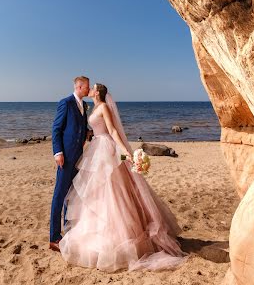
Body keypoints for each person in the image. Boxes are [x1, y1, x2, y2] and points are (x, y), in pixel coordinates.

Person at [58, 83, 188, 272]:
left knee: (110, 188)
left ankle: (116, 235)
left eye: (93, 88)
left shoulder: (103, 107)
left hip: (106, 148)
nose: (90, 90)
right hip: (96, 146)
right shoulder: (94, 107)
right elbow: (97, 128)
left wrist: (126, 151)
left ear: (98, 93)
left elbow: (112, 131)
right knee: (96, 188)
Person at [49, 76, 92, 251]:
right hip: (65, 157)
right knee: (59, 195)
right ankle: (54, 238)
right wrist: (58, 153)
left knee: (72, 194)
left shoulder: (84, 106)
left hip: (78, 157)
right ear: (79, 87)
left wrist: (89, 133)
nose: (89, 91)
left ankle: (68, 230)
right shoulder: (65, 103)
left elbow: (80, 129)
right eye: (87, 88)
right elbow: (56, 129)